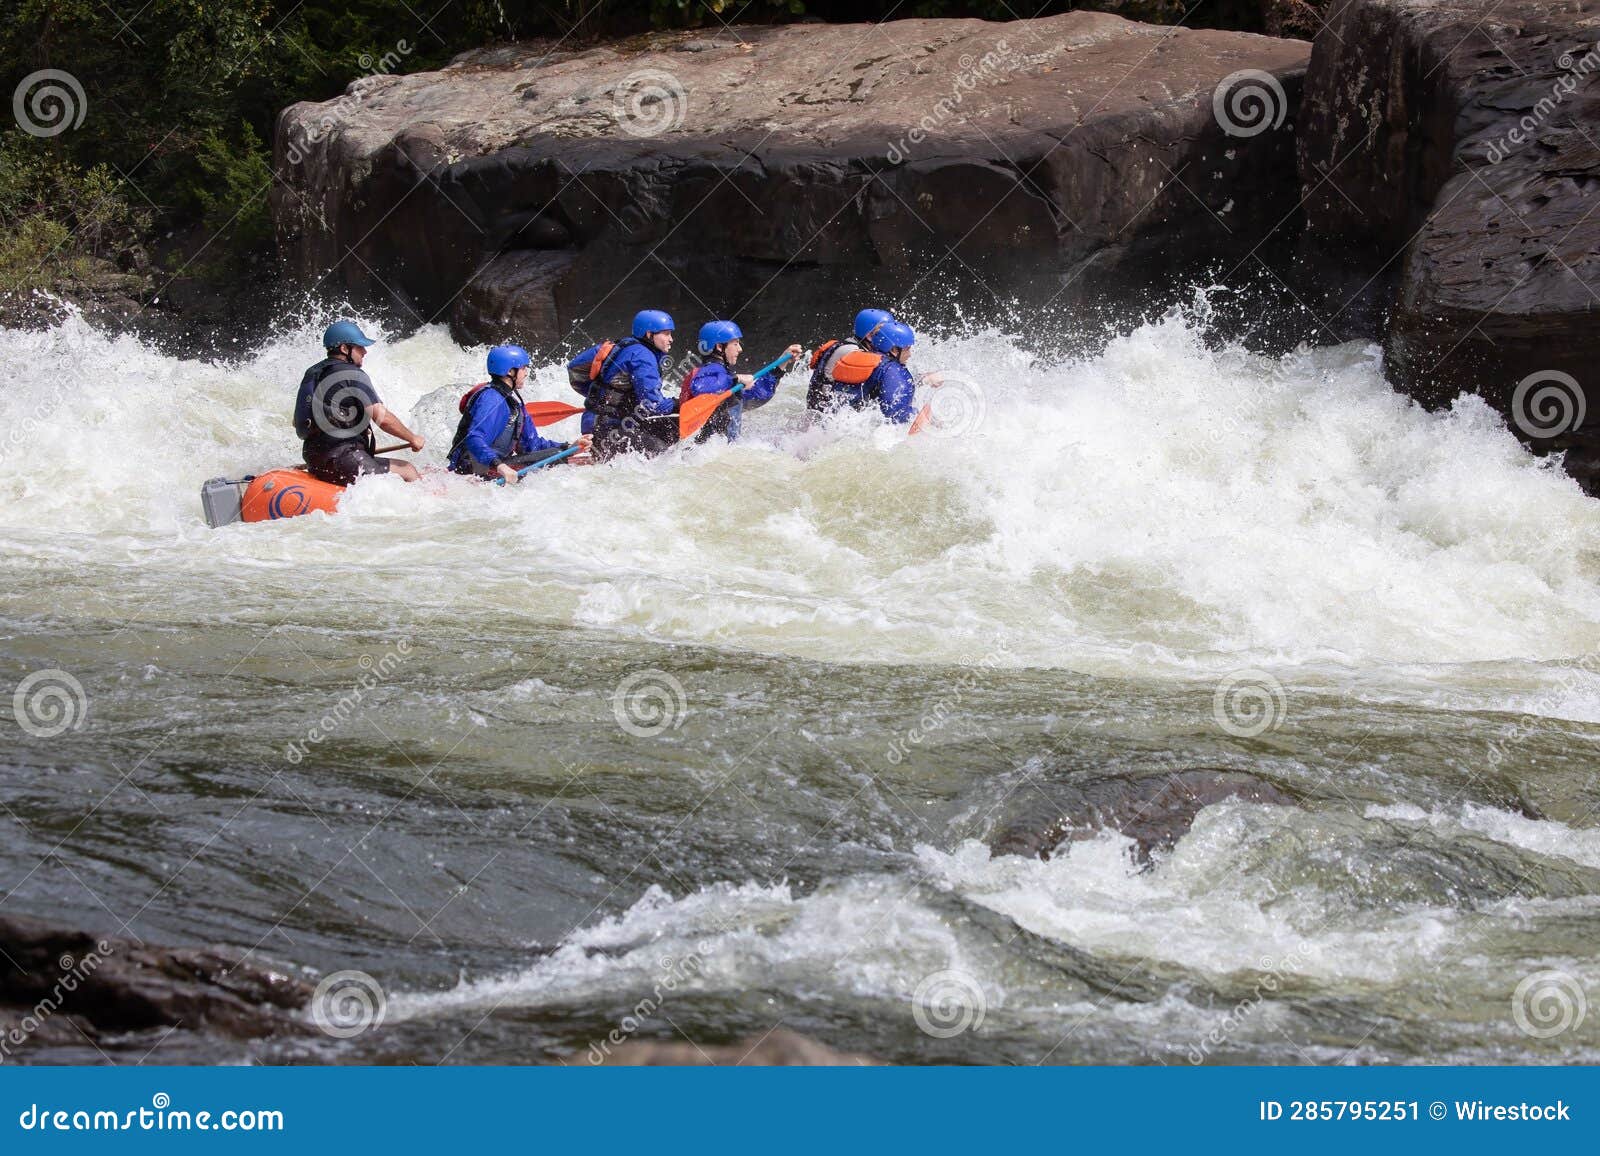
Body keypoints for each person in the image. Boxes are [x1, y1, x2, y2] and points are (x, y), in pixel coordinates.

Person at [293, 321, 424, 484]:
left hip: (315, 460)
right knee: (407, 469)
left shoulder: (312, 373)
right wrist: (412, 438)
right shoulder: (352, 373)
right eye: (359, 347)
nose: (364, 351)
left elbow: (297, 421)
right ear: (344, 349)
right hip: (344, 460)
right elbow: (383, 419)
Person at [449, 344, 591, 483]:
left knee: (558, 455)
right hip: (473, 469)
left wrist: (568, 447)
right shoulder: (491, 399)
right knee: (560, 458)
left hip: (493, 466)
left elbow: (532, 445)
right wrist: (500, 465)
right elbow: (474, 438)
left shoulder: (514, 404)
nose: (526, 373)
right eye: (523, 368)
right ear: (510, 372)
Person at [566, 310, 678, 460]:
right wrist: (678, 403)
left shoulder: (620, 345)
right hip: (608, 430)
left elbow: (574, 369)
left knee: (674, 429)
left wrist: (598, 397)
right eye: (665, 333)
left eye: (670, 333)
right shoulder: (643, 358)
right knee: (665, 454)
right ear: (649, 335)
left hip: (596, 424)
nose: (671, 339)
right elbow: (653, 405)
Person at [679, 321, 802, 442]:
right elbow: (701, 388)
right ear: (719, 346)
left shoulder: (722, 376)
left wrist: (781, 363)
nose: (740, 349)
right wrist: (736, 378)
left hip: (721, 451)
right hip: (708, 452)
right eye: (736, 344)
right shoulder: (711, 370)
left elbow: (759, 395)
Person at [805, 308, 894, 414]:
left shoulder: (850, 345)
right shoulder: (853, 353)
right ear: (870, 335)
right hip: (826, 416)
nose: (890, 337)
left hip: (823, 411)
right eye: (886, 333)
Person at [831, 320, 919, 424]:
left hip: (837, 422)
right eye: (907, 349)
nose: (909, 354)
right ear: (894, 350)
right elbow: (897, 416)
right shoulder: (893, 370)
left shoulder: (859, 357)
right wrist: (917, 414)